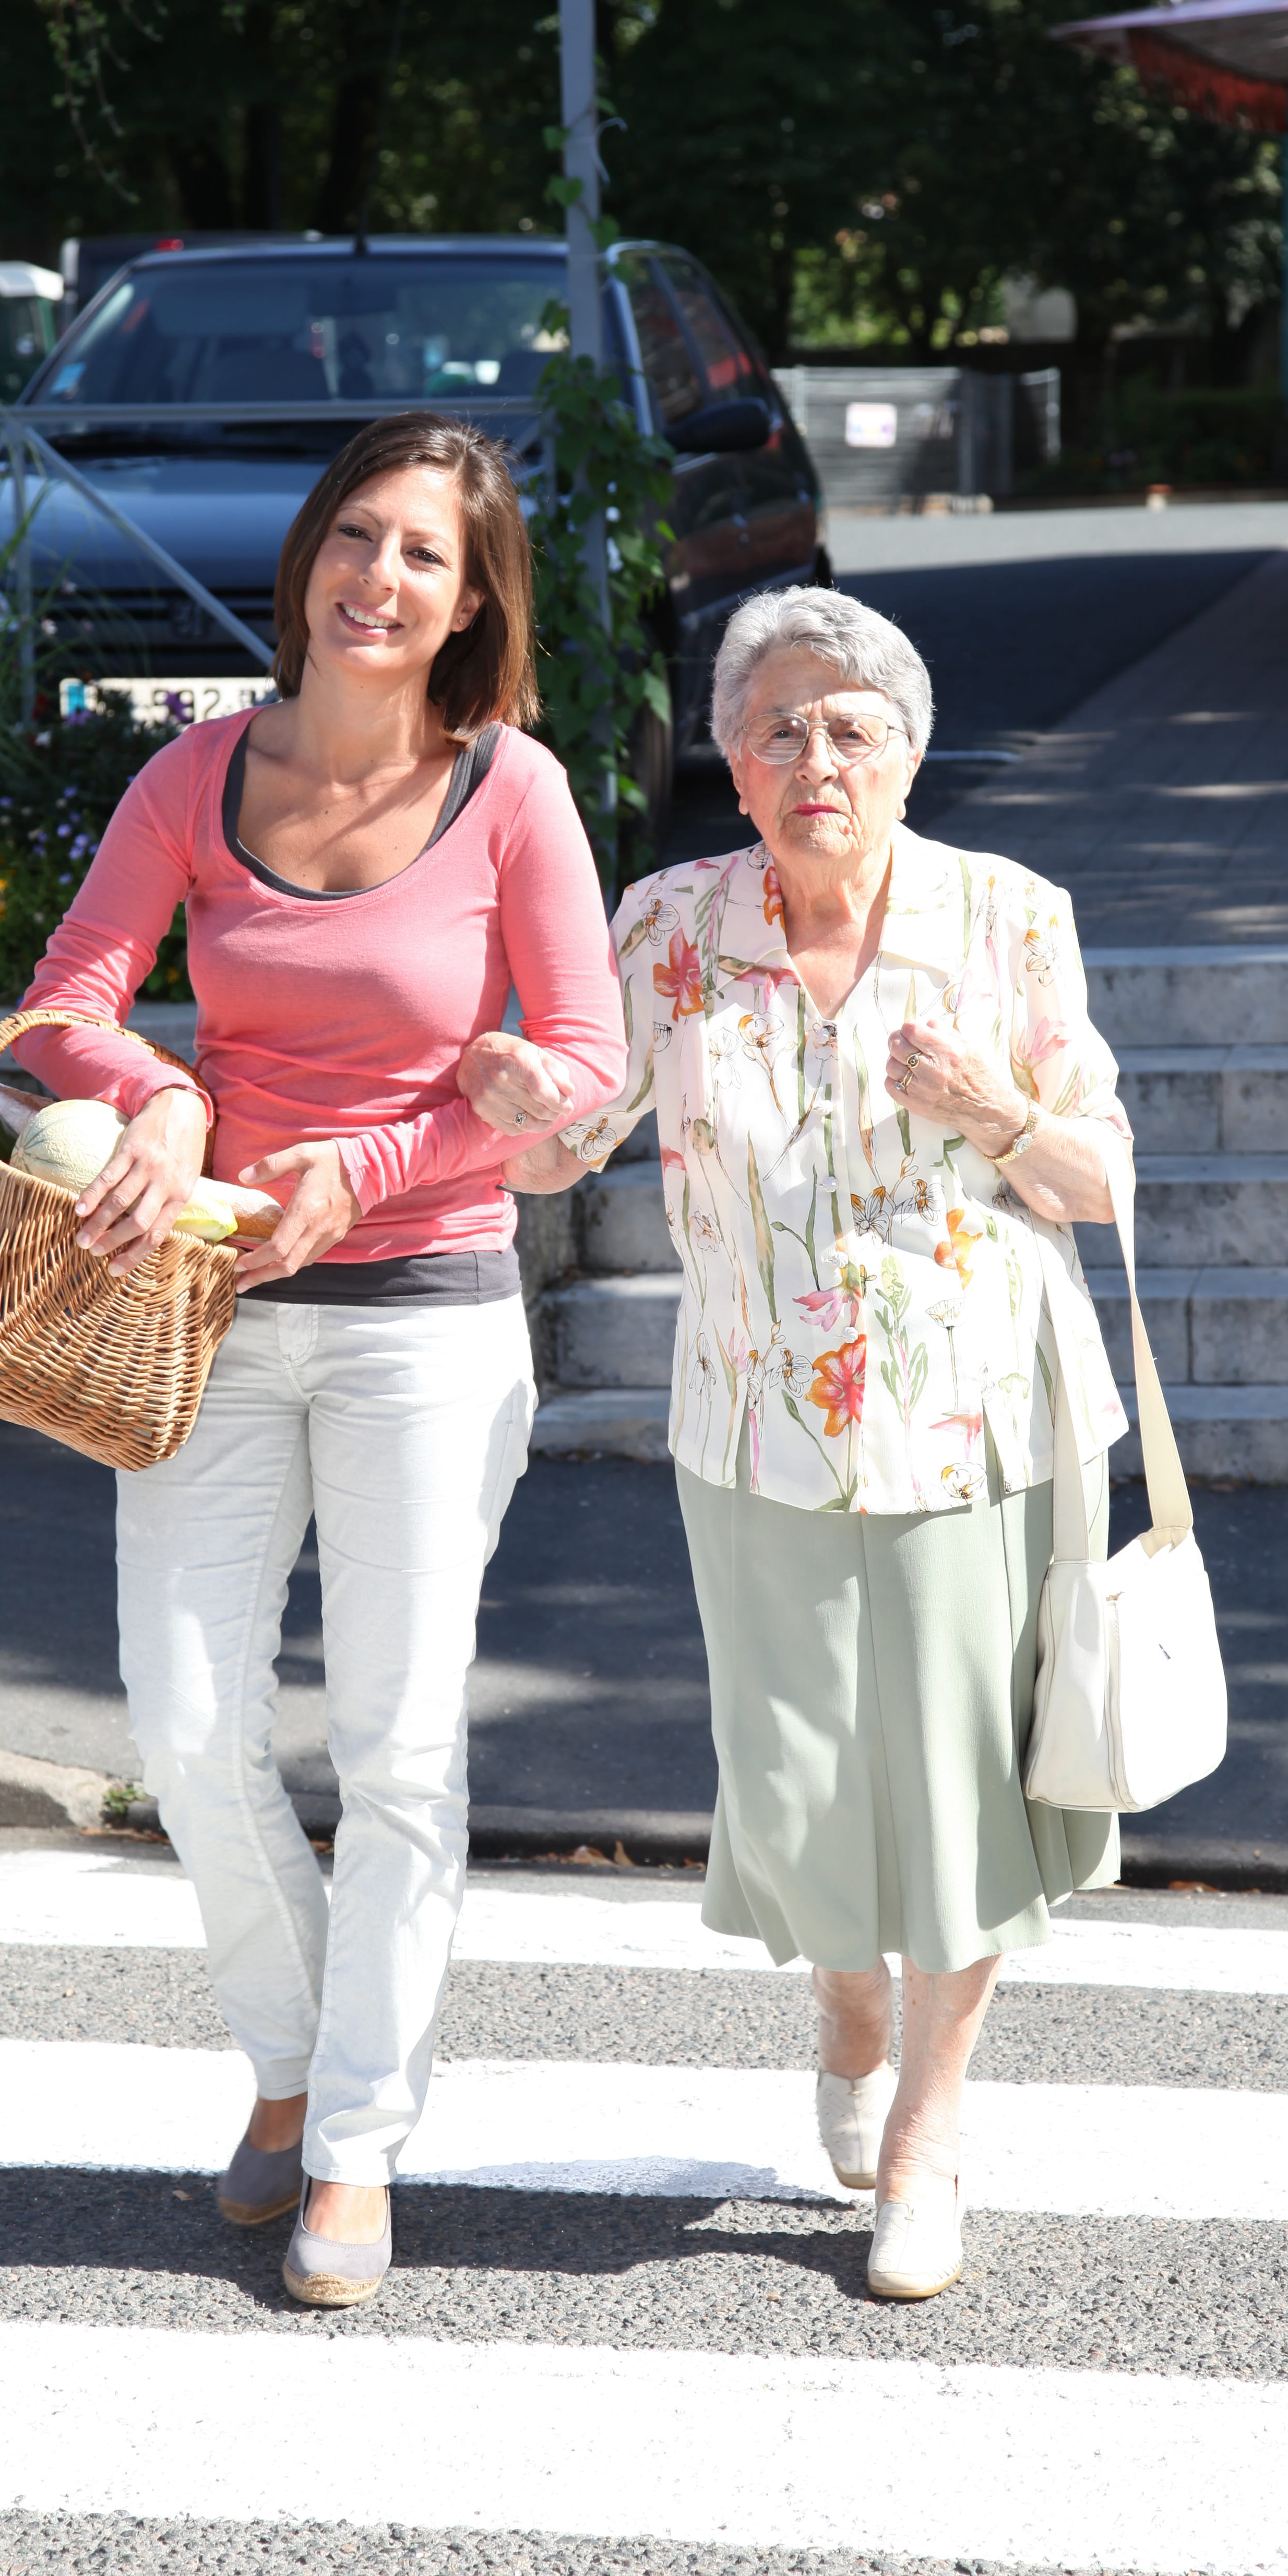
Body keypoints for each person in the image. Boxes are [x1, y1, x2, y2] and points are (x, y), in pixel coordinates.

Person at [18, 412, 625, 2310]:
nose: (381, 579)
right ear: (306, 562)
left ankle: (354, 2142)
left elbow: (584, 1068)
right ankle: (287, 2063)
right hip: (200, 1316)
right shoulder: (201, 773)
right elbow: (62, 1007)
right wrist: (171, 1099)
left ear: (473, 602)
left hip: (424, 1322)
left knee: (399, 1745)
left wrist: (376, 1159)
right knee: (187, 1728)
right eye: (358, 538)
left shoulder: (512, 792)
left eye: (426, 555)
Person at [465, 586, 1134, 2304]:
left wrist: (992, 1108)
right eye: (777, 728)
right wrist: (515, 1107)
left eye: (851, 726)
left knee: (965, 1792)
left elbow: (1103, 1184)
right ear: (731, 765)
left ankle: (928, 2129)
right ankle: (845, 1993)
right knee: (800, 1777)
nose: (814, 756)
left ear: (908, 752)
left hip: (970, 1423)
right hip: (752, 1422)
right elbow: (573, 1145)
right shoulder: (673, 922)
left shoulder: (1010, 917)